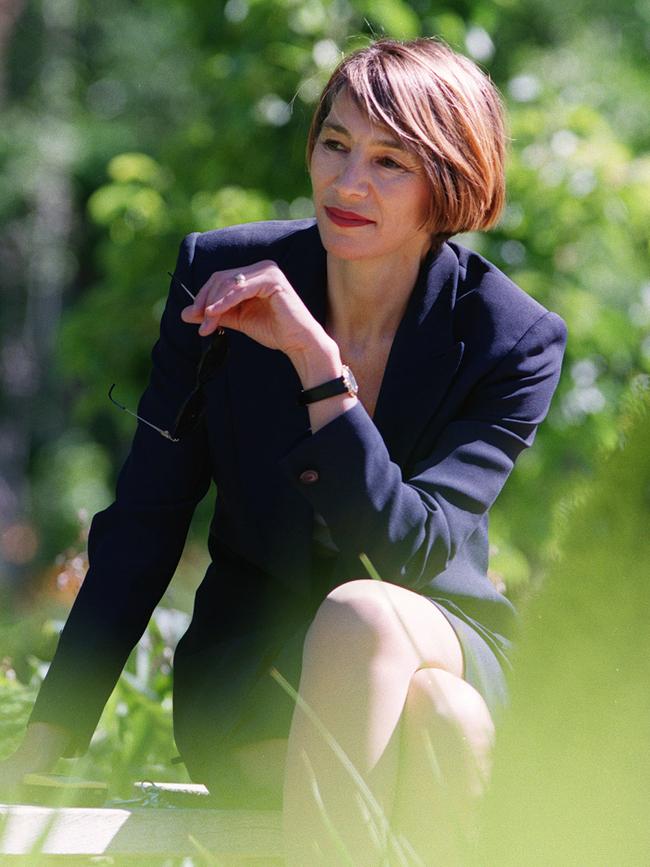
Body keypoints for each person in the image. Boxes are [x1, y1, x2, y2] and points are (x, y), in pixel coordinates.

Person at [2, 37, 566, 864]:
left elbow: (408, 552)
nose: (347, 183)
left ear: (449, 178)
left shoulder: (510, 339)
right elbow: (147, 519)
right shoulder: (220, 275)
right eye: (334, 144)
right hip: (252, 676)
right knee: (437, 724)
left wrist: (316, 365)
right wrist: (50, 733)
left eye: (390, 161)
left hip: (436, 631)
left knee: (372, 620)